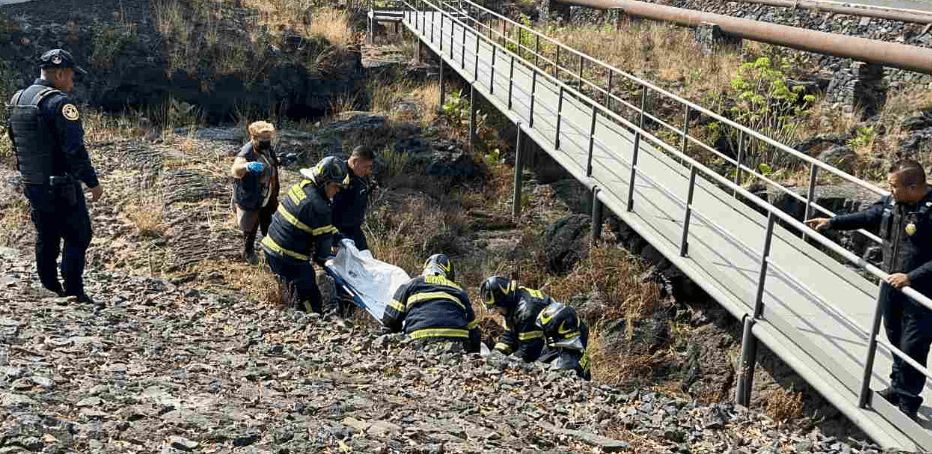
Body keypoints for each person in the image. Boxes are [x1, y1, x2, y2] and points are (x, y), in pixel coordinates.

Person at [807, 159, 932, 422]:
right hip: (891, 284)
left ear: (912, 187)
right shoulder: (893, 202)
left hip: (921, 293)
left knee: (913, 346)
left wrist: (910, 277)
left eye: (893, 185)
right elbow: (869, 216)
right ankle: (897, 389)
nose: (889, 190)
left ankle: (909, 401)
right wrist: (833, 222)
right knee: (894, 337)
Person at [6, 49, 103, 306]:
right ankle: (75, 292)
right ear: (59, 73)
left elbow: (14, 139)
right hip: (61, 184)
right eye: (71, 76)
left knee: (46, 235)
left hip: (32, 183)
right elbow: (74, 149)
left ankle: (50, 288)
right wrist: (92, 181)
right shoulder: (60, 104)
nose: (72, 83)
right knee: (77, 235)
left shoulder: (19, 99)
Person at [260, 156, 349, 314]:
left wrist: (338, 237)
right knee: (311, 300)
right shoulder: (320, 208)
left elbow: (316, 226)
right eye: (336, 186)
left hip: (271, 247)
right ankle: (306, 322)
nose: (338, 191)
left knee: (292, 290)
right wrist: (339, 255)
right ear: (325, 182)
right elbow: (322, 255)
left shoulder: (304, 185)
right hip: (288, 258)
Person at [479, 276, 590, 379]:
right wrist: (497, 352)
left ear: (504, 301)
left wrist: (508, 362)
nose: (497, 312)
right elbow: (509, 335)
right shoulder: (514, 300)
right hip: (550, 337)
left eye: (496, 307)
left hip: (559, 341)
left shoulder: (527, 312)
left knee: (559, 371)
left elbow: (528, 351)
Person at [381, 254, 481, 353]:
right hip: (457, 344)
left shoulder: (411, 284)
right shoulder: (459, 291)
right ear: (449, 273)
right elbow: (473, 331)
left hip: (419, 341)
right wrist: (475, 354)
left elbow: (390, 319)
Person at [230, 121, 280, 264]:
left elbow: (271, 164)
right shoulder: (247, 151)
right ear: (254, 138)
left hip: (267, 194)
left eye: (268, 139)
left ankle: (269, 251)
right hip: (252, 196)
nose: (266, 142)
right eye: (263, 139)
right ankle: (248, 251)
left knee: (267, 222)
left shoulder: (268, 150)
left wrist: (282, 160)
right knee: (251, 226)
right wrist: (246, 166)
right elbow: (236, 169)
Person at [331, 146, 376, 252]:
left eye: (370, 167)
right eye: (366, 167)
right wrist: (334, 241)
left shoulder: (360, 175)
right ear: (355, 161)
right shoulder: (338, 175)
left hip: (355, 229)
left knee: (366, 259)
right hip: (339, 230)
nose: (368, 171)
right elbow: (327, 209)